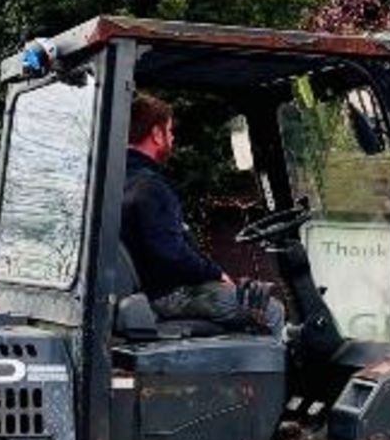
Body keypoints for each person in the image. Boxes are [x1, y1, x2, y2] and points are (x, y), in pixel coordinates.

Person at [121, 95, 284, 337]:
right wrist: (216, 273)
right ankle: (265, 375)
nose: (173, 138)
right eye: (170, 131)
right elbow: (171, 254)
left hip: (148, 289)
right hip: (168, 295)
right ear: (156, 134)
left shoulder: (120, 179)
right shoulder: (150, 187)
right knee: (270, 309)